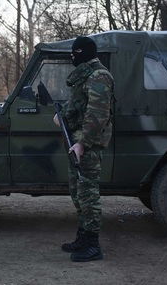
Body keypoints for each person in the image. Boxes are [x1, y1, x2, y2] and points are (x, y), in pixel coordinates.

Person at [53, 36, 114, 262]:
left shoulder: (99, 76)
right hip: (77, 144)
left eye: (75, 52)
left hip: (86, 146)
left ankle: (93, 245)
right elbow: (81, 104)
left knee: (88, 196)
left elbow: (97, 116)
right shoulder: (87, 76)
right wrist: (63, 115)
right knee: (77, 194)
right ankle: (83, 236)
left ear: (84, 52)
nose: (72, 56)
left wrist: (82, 144)